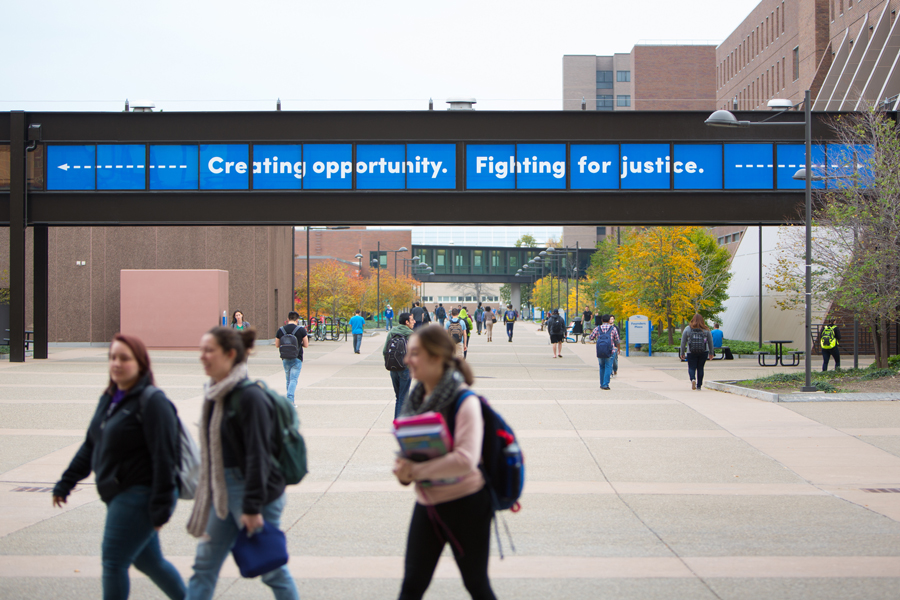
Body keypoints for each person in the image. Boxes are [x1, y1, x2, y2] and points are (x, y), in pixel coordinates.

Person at [53, 333, 185, 600]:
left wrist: (161, 509)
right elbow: (91, 445)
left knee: (113, 561)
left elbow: (165, 458)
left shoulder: (153, 402)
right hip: (119, 493)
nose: (116, 363)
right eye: (112, 357)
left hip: (140, 494)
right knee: (149, 562)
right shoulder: (109, 399)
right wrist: (66, 482)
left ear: (140, 363)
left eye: (124, 358)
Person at [186, 327, 299, 600]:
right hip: (223, 491)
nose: (202, 356)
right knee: (204, 566)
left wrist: (251, 507)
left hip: (254, 492)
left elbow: (258, 455)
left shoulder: (249, 397)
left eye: (209, 351)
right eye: (201, 350)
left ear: (230, 354)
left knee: (272, 571)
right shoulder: (216, 394)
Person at [393, 325, 497, 600]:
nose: (407, 359)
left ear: (436, 357)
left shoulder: (464, 400)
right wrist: (404, 471)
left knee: (476, 584)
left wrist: (416, 471)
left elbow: (465, 459)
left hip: (467, 505)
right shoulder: (417, 399)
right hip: (428, 501)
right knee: (412, 586)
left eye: (415, 353)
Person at [384, 312, 415, 418]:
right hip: (405, 368)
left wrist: (390, 363)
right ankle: (399, 422)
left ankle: (397, 420)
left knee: (399, 397)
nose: (414, 321)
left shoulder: (392, 332)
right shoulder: (411, 334)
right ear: (406, 322)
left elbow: (385, 351)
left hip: (393, 368)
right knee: (403, 398)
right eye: (412, 320)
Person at [275, 312, 309, 405]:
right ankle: (290, 401)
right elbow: (306, 344)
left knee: (288, 380)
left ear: (288, 319)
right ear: (297, 319)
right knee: (293, 380)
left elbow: (277, 345)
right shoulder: (301, 330)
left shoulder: (281, 330)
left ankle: (289, 400)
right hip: (297, 357)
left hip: (285, 357)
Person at [679, 313, 715, 390]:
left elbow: (683, 341)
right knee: (700, 368)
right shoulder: (706, 329)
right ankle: (699, 386)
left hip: (691, 351)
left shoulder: (688, 328)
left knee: (691, 367)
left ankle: (693, 379)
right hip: (703, 351)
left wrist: (682, 352)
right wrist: (711, 352)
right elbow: (710, 341)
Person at [589, 314, 620, 390]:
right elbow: (617, 340)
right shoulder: (613, 329)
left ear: (602, 320)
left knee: (601, 366)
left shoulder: (597, 328)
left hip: (600, 350)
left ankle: (602, 383)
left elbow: (591, 338)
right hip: (610, 350)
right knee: (608, 367)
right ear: (609, 320)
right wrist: (618, 348)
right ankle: (605, 384)